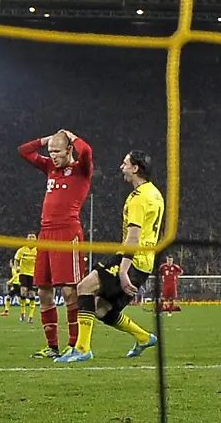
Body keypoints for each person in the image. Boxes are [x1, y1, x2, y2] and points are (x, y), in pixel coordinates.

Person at [57, 151, 162, 363]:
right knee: (100, 308)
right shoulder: (154, 193)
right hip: (144, 260)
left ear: (135, 168)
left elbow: (133, 237)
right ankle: (143, 337)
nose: (121, 167)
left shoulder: (138, 199)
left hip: (132, 259)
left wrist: (123, 270)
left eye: (125, 163)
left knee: (84, 287)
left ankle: (82, 348)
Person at [19, 130, 93, 359]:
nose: (53, 156)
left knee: (70, 290)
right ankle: (52, 347)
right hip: (45, 234)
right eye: (50, 152)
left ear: (70, 149)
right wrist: (46, 139)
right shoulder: (50, 168)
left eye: (57, 151)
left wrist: (72, 136)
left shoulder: (81, 169)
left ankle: (75, 345)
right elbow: (24, 151)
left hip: (67, 233)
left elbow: (88, 151)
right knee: (43, 290)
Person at [15, 234, 38, 323]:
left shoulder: (38, 250)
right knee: (23, 292)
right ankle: (23, 312)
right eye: (30, 237)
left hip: (33, 274)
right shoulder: (22, 250)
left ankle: (31, 316)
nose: (31, 239)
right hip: (24, 273)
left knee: (32, 294)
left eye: (33, 237)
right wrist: (16, 267)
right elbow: (16, 259)